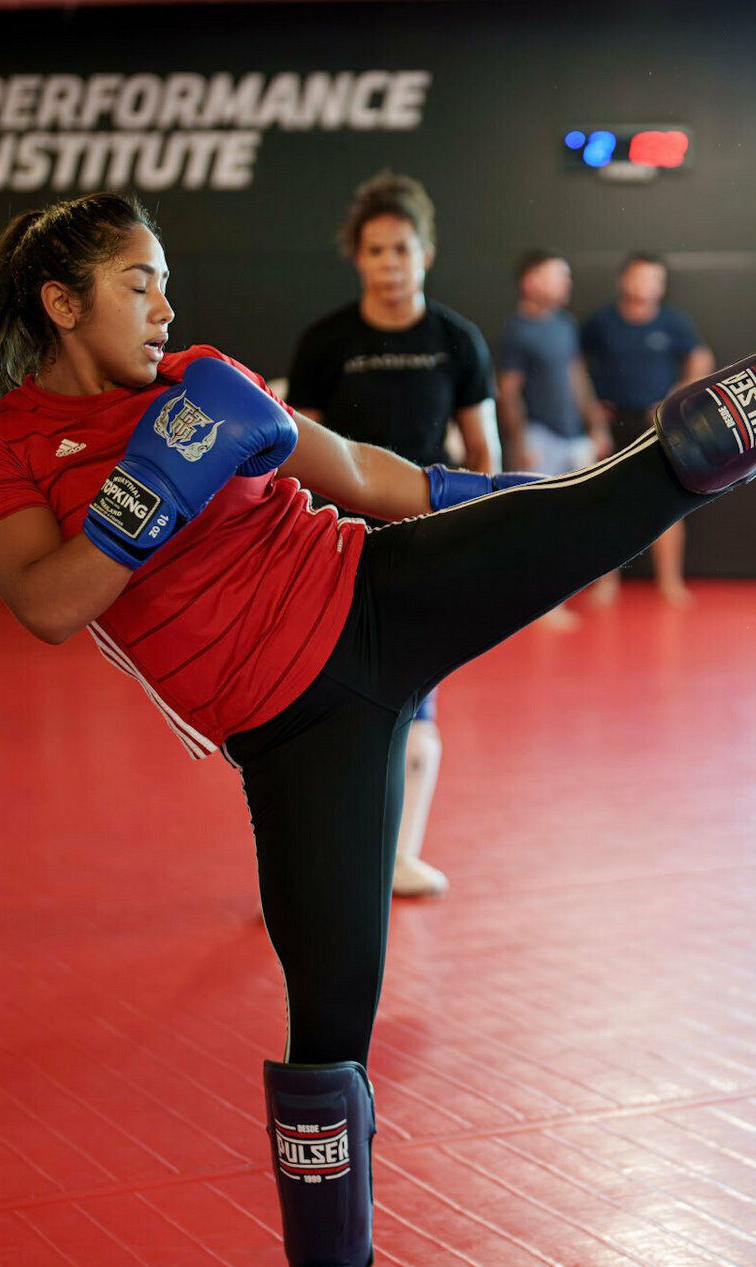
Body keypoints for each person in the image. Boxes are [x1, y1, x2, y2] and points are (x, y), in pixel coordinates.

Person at [0, 190, 756, 1267]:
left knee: (636, 484)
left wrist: (532, 499)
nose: (164, 307)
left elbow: (357, 471)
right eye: (138, 284)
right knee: (330, 1028)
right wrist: (151, 484)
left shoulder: (197, 376)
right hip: (293, 736)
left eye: (165, 282)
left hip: (377, 591)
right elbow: (50, 603)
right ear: (62, 303)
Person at [286, 171, 500, 895]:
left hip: (426, 544)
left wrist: (479, 536)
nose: (390, 264)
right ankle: (315, 865)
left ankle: (398, 858)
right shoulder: (325, 342)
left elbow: (484, 451)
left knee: (417, 701)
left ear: (426, 254)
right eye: (375, 251)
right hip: (338, 546)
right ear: (358, 258)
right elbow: (297, 451)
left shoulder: (457, 341)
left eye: (402, 249)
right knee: (325, 703)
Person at [579, 254, 713, 606]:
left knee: (666, 503)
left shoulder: (673, 322)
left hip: (656, 423)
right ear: (622, 280)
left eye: (653, 279)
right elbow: (575, 362)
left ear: (661, 286)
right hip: (612, 422)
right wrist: (590, 407)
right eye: (638, 277)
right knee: (608, 502)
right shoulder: (601, 321)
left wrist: (675, 398)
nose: (644, 285)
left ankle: (670, 583)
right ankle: (606, 584)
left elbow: (701, 358)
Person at [495, 248, 610, 629]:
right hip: (538, 437)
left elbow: (576, 377)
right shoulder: (517, 331)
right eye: (557, 275)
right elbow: (508, 391)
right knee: (540, 523)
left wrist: (595, 425)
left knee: (590, 513)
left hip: (573, 435)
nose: (566, 282)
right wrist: (521, 442)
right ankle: (543, 606)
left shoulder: (565, 324)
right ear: (531, 282)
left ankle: (601, 585)